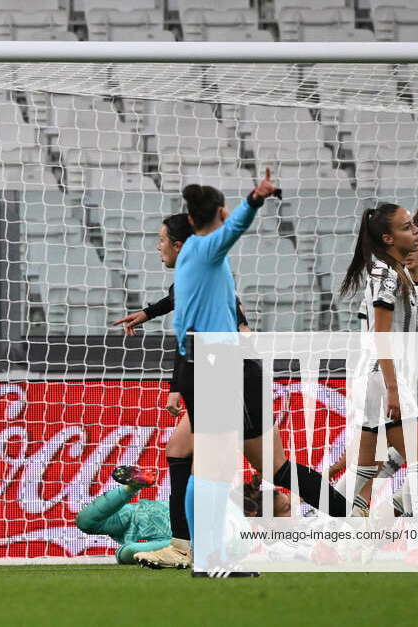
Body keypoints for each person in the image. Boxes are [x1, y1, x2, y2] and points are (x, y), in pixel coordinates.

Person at [142, 173, 349, 576]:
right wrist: (255, 199)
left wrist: (167, 336)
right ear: (218, 212)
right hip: (216, 363)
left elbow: (181, 307)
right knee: (216, 468)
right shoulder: (205, 249)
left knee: (207, 465)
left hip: (199, 362)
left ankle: (201, 553)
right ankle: (209, 557)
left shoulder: (189, 258)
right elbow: (233, 229)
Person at [109, 212, 250, 570]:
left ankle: (202, 547)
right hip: (221, 372)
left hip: (219, 375)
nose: (157, 246)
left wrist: (178, 386)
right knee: (181, 452)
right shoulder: (200, 275)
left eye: (161, 240)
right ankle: (187, 544)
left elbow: (191, 336)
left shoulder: (202, 274)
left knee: (216, 468)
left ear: (179, 245)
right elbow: (180, 304)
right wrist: (145, 313)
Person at [338, 203, 418, 520]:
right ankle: (417, 546)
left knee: (365, 469)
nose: (415, 230)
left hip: (372, 377)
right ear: (388, 238)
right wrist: (393, 388)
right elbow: (382, 335)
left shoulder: (389, 270)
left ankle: (335, 537)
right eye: (406, 227)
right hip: (383, 378)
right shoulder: (388, 275)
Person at [76, 466, 288, 568]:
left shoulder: (237, 536)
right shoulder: (228, 505)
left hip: (167, 535)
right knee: (88, 524)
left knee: (123, 548)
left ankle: (132, 488)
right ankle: (133, 487)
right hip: (148, 516)